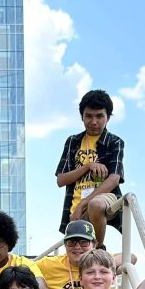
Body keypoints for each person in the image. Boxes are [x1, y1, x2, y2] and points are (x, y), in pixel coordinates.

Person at [55, 89, 125, 247]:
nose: (94, 122)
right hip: (75, 209)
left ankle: (99, 248)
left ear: (108, 117)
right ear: (82, 117)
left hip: (105, 198)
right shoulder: (73, 141)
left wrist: (84, 203)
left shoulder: (114, 142)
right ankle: (103, 257)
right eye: (89, 116)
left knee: (96, 204)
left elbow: (114, 179)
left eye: (99, 116)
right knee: (78, 256)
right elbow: (61, 180)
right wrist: (87, 166)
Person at [37, 221, 129, 289]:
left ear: (94, 245)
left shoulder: (100, 261)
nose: (77, 247)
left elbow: (131, 257)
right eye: (72, 242)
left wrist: (102, 264)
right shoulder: (49, 264)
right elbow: (27, 265)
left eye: (84, 242)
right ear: (65, 245)